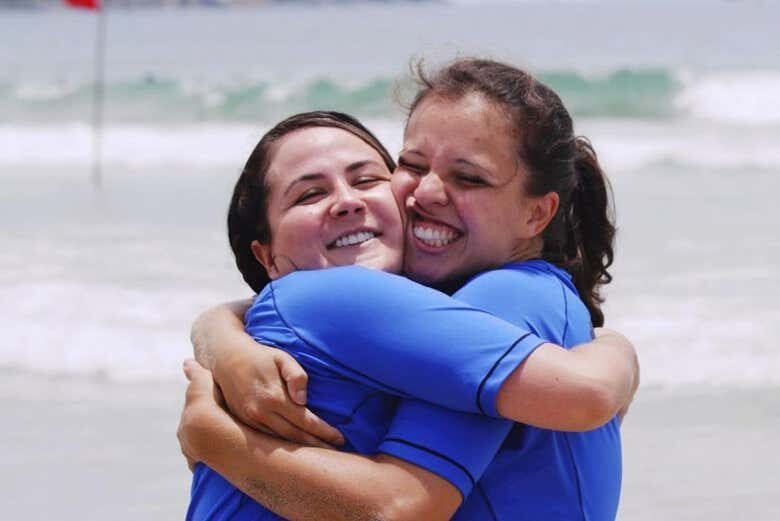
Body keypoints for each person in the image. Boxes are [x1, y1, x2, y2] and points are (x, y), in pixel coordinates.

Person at [179, 59, 637, 520]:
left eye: (366, 179)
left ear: (537, 214)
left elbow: (401, 507)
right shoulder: (535, 304)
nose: (348, 201)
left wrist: (215, 438)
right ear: (267, 257)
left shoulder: (498, 301)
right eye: (413, 166)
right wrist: (219, 336)